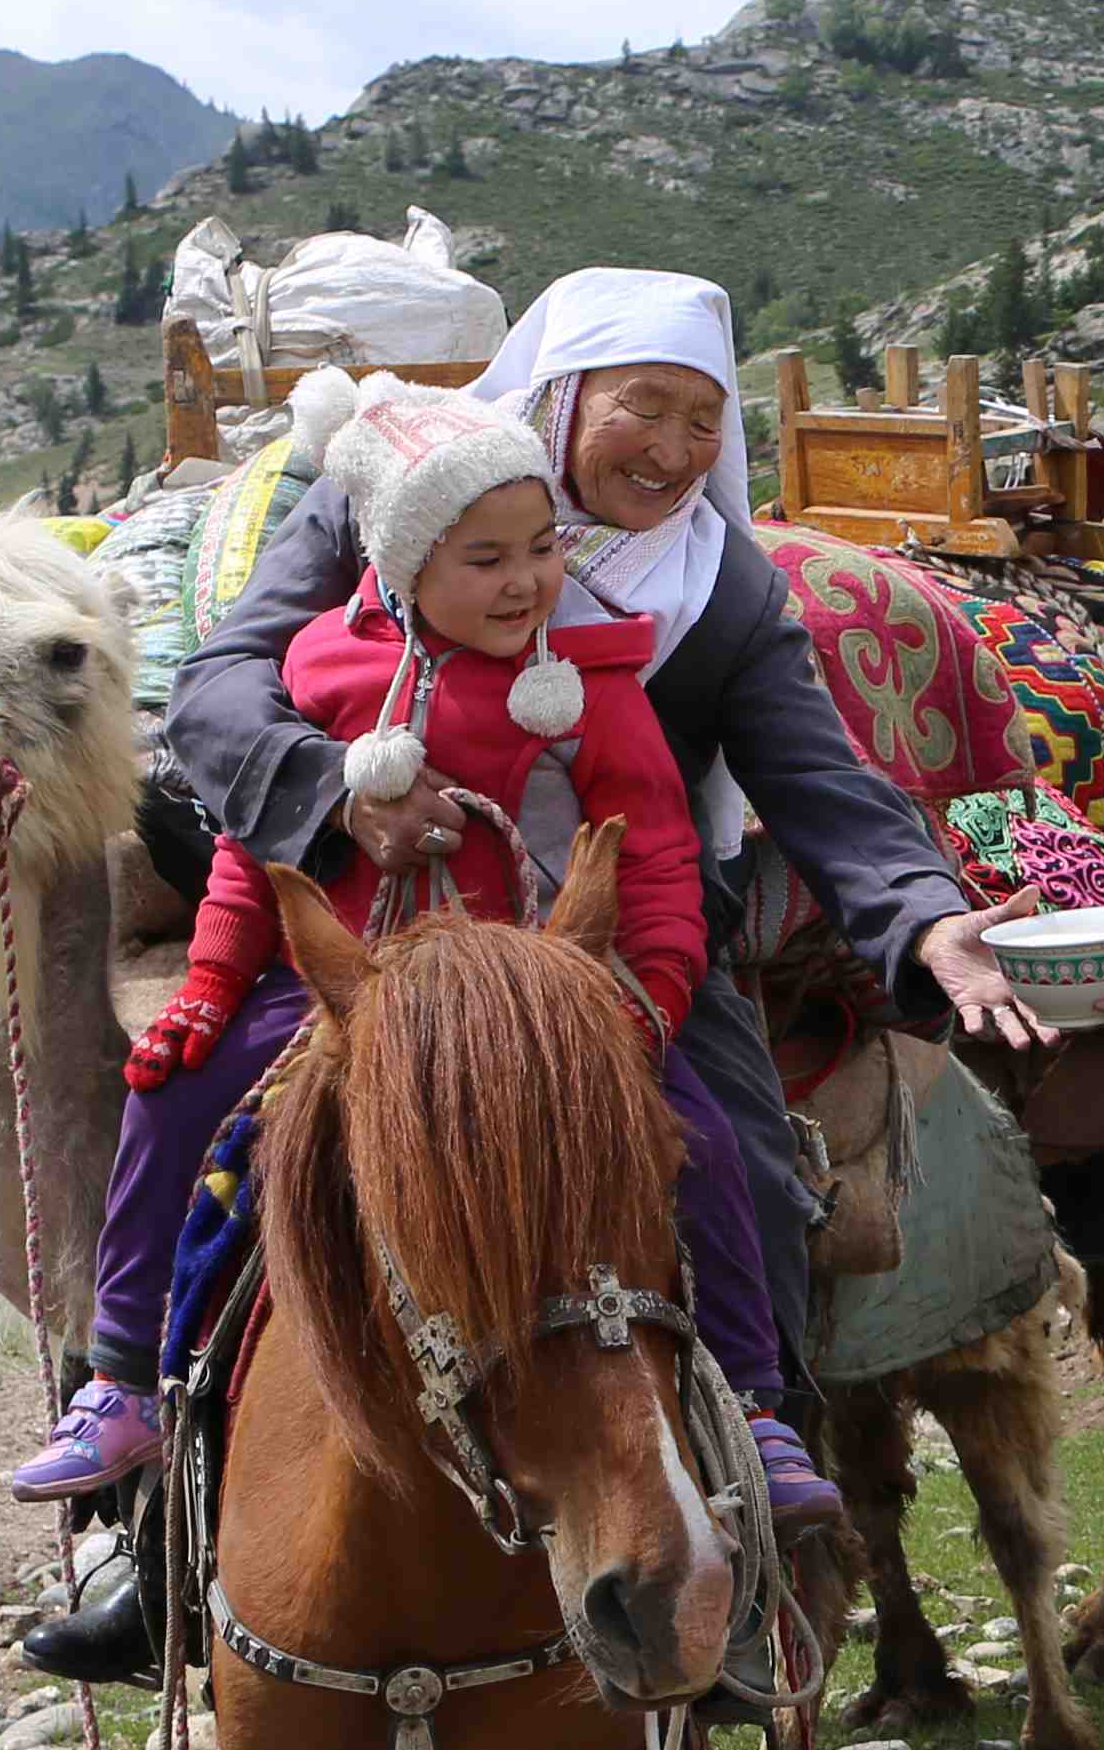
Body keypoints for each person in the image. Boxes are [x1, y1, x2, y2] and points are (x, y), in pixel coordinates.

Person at [72, 266, 1045, 1665]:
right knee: (190, 1121)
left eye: (704, 421)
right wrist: (336, 790)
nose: (672, 451)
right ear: (563, 392)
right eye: (643, 407)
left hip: (622, 945)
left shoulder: (718, 591)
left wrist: (923, 917)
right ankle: (156, 1525)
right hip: (378, 910)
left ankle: (739, 1495)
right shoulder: (386, 492)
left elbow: (817, 776)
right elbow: (229, 679)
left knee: (742, 1164)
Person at [20, 373, 830, 1520]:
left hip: (539, 997)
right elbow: (264, 850)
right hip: (356, 989)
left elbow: (646, 852)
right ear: (403, 568)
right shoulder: (322, 673)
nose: (525, 582)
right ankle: (124, 1379)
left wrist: (645, 997)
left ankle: (751, 1403)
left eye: (541, 549)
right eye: (485, 559)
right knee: (171, 1089)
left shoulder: (592, 686)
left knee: (701, 1138)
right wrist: (208, 983)